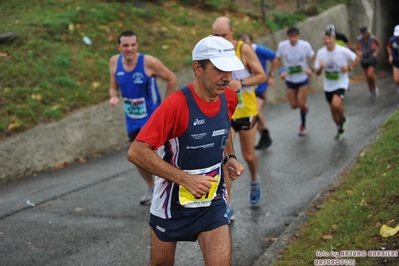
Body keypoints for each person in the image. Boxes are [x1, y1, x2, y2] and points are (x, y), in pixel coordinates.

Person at [127, 35, 246, 265]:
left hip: (212, 200)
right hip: (170, 202)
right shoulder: (175, 105)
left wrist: (229, 156)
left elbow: (224, 125)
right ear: (197, 68)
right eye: (220, 70)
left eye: (230, 71)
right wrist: (184, 179)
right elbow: (136, 151)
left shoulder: (228, 97)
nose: (227, 78)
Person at [109, 30, 177, 205]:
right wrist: (113, 96)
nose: (129, 49)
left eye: (133, 45)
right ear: (119, 47)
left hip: (152, 117)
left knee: (158, 155)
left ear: (137, 45)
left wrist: (165, 107)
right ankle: (152, 187)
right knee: (136, 156)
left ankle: (170, 189)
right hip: (131, 118)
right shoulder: (114, 62)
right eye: (125, 45)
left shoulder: (149, 62)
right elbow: (113, 87)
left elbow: (171, 78)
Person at [212, 17, 267, 221]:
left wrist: (241, 82)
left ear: (232, 32)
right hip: (225, 114)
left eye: (224, 35)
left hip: (246, 110)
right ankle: (228, 205)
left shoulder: (243, 49)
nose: (220, 39)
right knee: (227, 158)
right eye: (216, 36)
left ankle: (254, 178)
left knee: (249, 156)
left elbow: (261, 75)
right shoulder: (211, 52)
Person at [313, 29, 360, 141]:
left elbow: (357, 59)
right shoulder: (320, 53)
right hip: (328, 85)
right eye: (325, 39)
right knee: (332, 109)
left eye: (329, 38)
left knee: (336, 104)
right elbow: (317, 73)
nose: (327, 41)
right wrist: (321, 67)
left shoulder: (342, 51)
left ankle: (343, 119)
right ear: (322, 40)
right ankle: (340, 128)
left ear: (334, 39)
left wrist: (349, 67)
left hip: (341, 83)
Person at [239, 33, 278, 150]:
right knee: (254, 114)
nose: (246, 48)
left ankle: (265, 134)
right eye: (243, 45)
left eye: (248, 44)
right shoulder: (239, 53)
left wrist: (271, 75)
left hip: (260, 87)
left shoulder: (260, 50)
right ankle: (264, 135)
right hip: (247, 90)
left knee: (255, 110)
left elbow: (275, 58)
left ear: (252, 43)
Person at [276, 26, 315, 136]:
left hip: (303, 78)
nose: (293, 39)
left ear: (298, 36)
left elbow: (313, 56)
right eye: (291, 37)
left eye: (295, 36)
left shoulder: (305, 45)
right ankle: (304, 108)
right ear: (288, 37)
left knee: (301, 102)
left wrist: (311, 69)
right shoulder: (282, 46)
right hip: (290, 79)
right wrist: (281, 71)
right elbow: (277, 58)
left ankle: (303, 126)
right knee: (294, 105)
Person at [355, 26, 382, 99]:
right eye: (362, 33)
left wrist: (376, 52)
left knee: (370, 75)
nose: (364, 35)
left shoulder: (372, 38)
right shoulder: (359, 39)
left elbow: (379, 45)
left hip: (372, 58)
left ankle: (374, 87)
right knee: (367, 77)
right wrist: (359, 53)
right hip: (364, 59)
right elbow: (357, 49)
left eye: (365, 33)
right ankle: (371, 91)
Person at [387, 25, 399, 93]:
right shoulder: (392, 40)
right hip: (395, 60)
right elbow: (388, 46)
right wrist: (390, 55)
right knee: (396, 79)